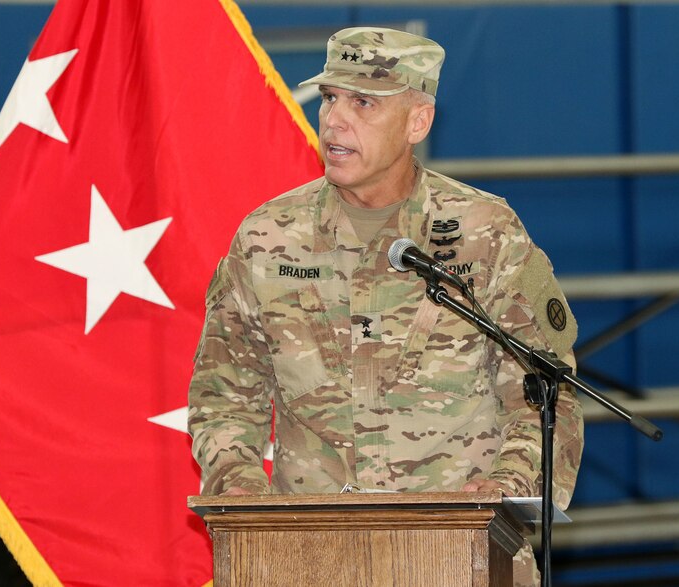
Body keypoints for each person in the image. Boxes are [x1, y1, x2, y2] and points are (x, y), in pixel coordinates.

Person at [188, 26, 583, 585]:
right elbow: (223, 394)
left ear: (417, 122)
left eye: (364, 103)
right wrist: (243, 495)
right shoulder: (267, 238)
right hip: (306, 556)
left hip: (461, 553)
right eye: (329, 98)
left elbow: (546, 389)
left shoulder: (485, 233)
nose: (334, 120)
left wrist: (507, 484)